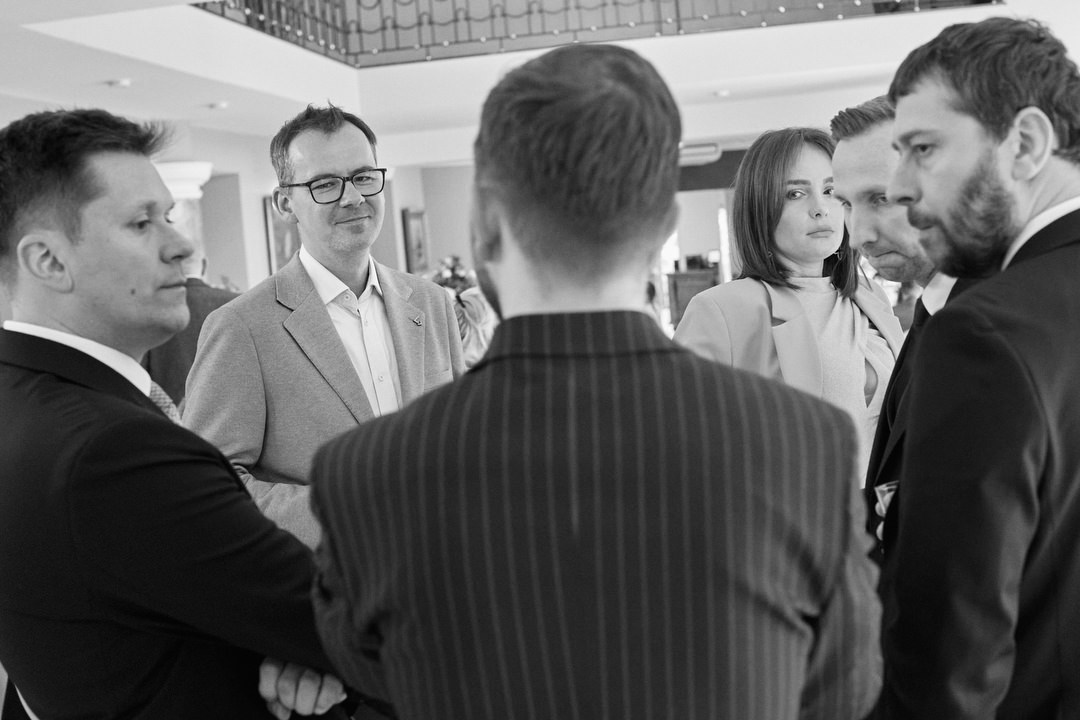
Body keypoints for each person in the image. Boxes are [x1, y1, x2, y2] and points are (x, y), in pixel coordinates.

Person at [307, 43, 881, 720]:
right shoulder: (807, 444)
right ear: (665, 225)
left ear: (484, 225)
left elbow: (371, 677)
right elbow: (843, 696)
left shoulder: (363, 474)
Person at [0, 109, 366, 719]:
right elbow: (338, 624)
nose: (182, 245)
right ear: (49, 261)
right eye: (141, 223)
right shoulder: (118, 450)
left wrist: (295, 651)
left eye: (168, 216)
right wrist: (308, 652)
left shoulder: (24, 397)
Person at [878, 17, 1080, 718]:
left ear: (1024, 144)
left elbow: (949, 668)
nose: (899, 187)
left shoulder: (984, 333)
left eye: (922, 149)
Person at [183, 104, 465, 548]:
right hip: (324, 578)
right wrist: (351, 512)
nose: (353, 198)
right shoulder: (241, 327)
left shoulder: (431, 302)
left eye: (364, 176)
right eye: (326, 184)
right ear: (285, 203)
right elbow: (205, 488)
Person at [674, 127, 903, 479]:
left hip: (884, 507)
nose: (820, 209)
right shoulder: (722, 309)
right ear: (760, 209)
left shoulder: (868, 294)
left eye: (830, 191)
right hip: (796, 506)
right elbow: (682, 443)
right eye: (795, 193)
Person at [829, 95, 973, 548]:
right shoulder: (936, 308)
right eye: (846, 203)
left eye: (882, 198)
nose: (858, 235)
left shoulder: (995, 323)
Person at [142, 247, 238, 405]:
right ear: (204, 265)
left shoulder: (150, 310)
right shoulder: (239, 304)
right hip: (230, 411)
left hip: (167, 413)